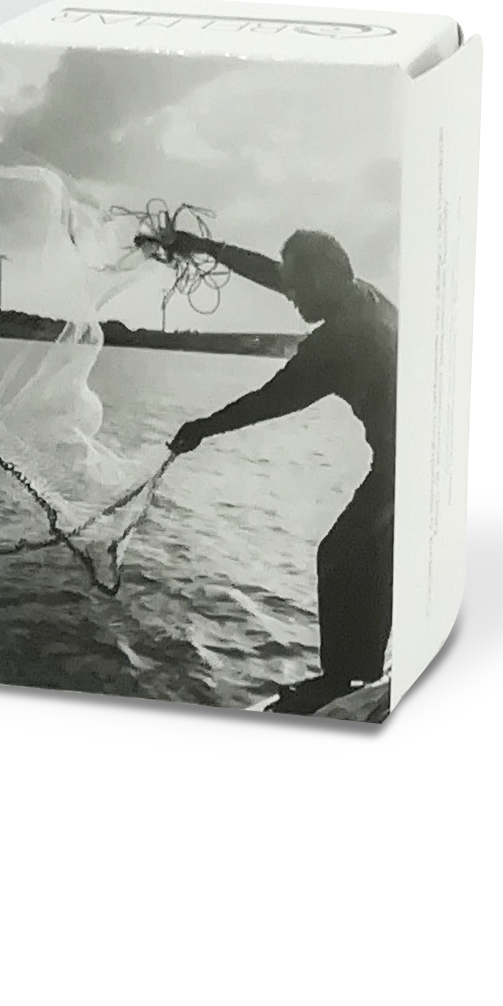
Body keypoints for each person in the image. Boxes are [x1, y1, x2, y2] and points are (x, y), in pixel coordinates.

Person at [138, 224, 396, 716]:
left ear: (319, 278)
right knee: (364, 557)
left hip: (400, 467)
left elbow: (271, 400)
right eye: (288, 286)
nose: (290, 296)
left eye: (296, 288)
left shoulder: (339, 341)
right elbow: (271, 272)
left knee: (341, 554)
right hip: (410, 456)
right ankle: (358, 671)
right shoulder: (359, 295)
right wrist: (203, 246)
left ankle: (344, 681)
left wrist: (203, 427)